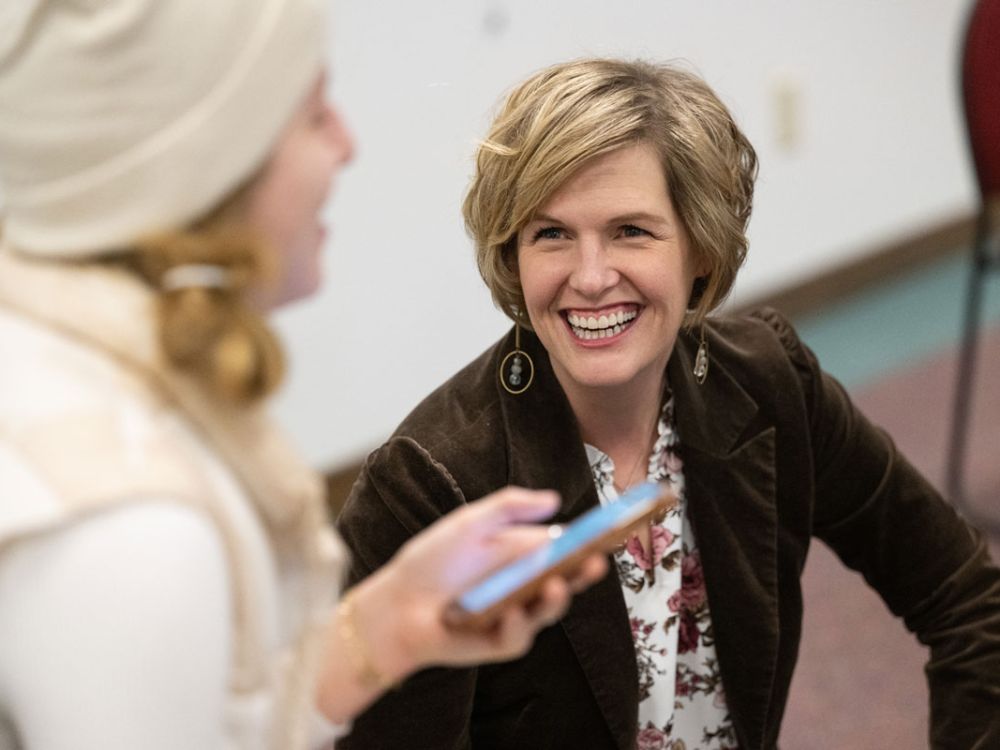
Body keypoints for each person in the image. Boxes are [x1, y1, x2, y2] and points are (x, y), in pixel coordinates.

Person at [335, 58, 1000, 749]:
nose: (590, 278)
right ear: (513, 256)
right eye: (551, 233)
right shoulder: (428, 486)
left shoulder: (770, 385)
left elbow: (966, 598)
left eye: (632, 231)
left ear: (701, 249)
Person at [0, 3, 608, 749]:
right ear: (211, 160)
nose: (347, 145)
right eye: (315, 113)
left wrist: (383, 625)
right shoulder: (129, 526)